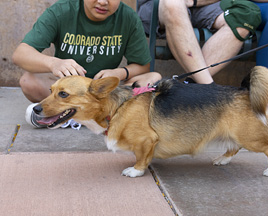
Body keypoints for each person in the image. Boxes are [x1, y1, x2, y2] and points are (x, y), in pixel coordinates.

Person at [12, 0, 161, 128]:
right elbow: (20, 54)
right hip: (68, 92)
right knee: (29, 81)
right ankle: (94, 119)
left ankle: (66, 118)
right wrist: (54, 63)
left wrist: (120, 72)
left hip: (103, 92)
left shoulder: (128, 17)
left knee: (153, 78)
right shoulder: (62, 10)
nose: (103, 2)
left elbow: (143, 66)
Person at [137, 0, 261, 84]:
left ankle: (189, 86)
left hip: (206, 4)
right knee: (173, 4)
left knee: (245, 15)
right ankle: (208, 86)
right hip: (158, 4)